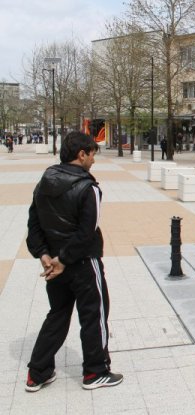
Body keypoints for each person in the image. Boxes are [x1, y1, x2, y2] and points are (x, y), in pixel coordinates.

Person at [25, 132, 122, 392]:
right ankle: (96, 372)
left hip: (54, 265)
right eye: (92, 154)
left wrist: (45, 255)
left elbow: (33, 224)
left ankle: (38, 373)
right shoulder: (88, 187)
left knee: (57, 313)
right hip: (81, 262)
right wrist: (63, 260)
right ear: (82, 154)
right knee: (94, 315)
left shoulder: (44, 182)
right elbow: (85, 232)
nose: (94, 160)